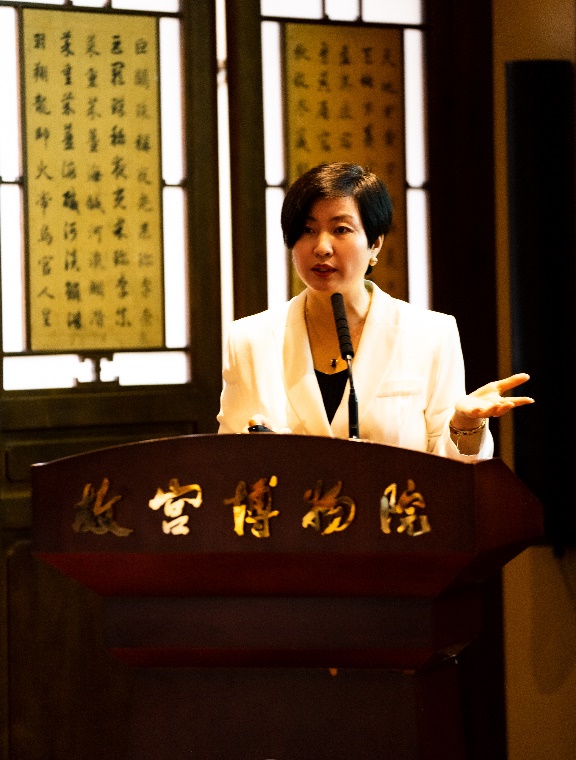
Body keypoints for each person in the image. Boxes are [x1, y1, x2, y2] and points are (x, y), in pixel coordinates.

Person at [217, 162, 533, 460]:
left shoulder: (430, 334)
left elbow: (452, 470)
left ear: (375, 243)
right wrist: (256, 448)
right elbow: (226, 462)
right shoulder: (250, 339)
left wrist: (464, 425)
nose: (322, 247)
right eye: (307, 229)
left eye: (340, 229)